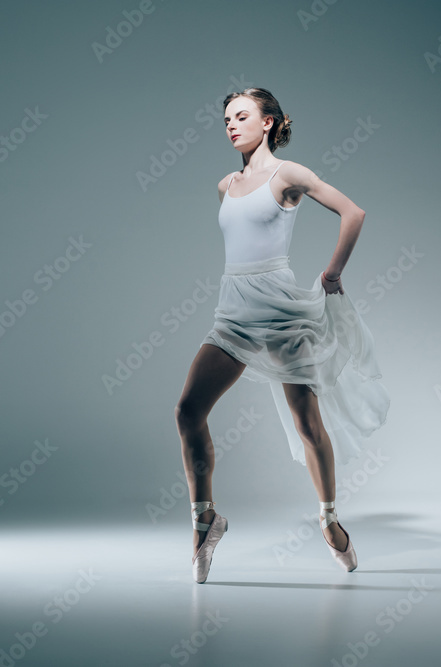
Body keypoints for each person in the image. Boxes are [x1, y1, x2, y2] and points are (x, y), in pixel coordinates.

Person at [174, 87, 390, 583]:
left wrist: (333, 274)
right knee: (188, 411)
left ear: (268, 122)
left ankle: (330, 519)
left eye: (242, 116)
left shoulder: (286, 174)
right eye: (226, 118)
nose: (231, 124)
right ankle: (205, 520)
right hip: (233, 311)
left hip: (280, 311)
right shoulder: (226, 183)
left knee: (307, 425)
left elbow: (353, 212)